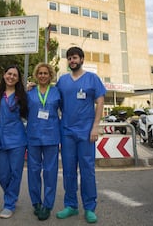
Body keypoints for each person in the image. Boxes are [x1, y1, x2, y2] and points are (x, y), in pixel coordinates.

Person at [55, 46, 106, 224]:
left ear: (82, 59)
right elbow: (55, 101)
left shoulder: (92, 79)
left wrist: (95, 127)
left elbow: (100, 102)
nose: (72, 61)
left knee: (87, 171)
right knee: (68, 171)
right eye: (69, 58)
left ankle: (90, 207)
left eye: (75, 58)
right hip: (67, 131)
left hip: (86, 133)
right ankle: (71, 205)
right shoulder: (62, 81)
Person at [26, 63, 61, 221]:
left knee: (50, 172)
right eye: (40, 73)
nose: (42, 76)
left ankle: (47, 205)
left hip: (51, 136)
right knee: (33, 171)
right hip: (33, 136)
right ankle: (36, 203)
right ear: (36, 75)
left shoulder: (57, 92)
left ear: (50, 75)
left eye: (45, 73)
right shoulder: (30, 92)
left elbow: (64, 110)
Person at [0, 65, 28, 219]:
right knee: (2, 173)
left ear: (18, 78)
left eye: (15, 75)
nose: (11, 77)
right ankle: (11, 195)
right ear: (4, 75)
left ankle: (9, 204)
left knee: (15, 173)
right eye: (9, 74)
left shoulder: (22, 96)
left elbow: (28, 115)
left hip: (17, 139)